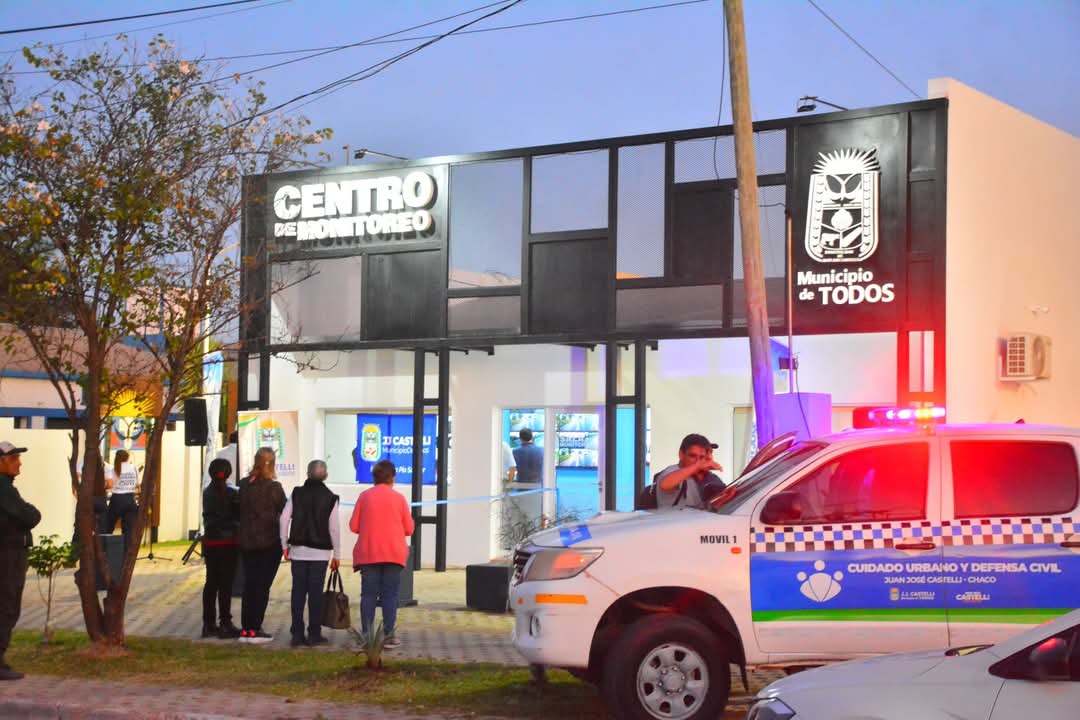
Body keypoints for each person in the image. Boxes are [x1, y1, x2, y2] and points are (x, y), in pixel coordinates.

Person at [350, 459, 414, 650]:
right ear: (393, 477)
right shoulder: (399, 499)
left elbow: (353, 526)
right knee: (390, 595)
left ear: (374, 477)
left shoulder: (364, 497)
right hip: (394, 553)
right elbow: (409, 529)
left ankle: (367, 636)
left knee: (368, 595)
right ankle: (389, 636)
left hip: (369, 552)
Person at [280, 459, 340, 648]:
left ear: (307, 474)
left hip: (298, 551)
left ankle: (297, 633)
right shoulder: (331, 498)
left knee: (298, 592)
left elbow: (284, 519)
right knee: (315, 594)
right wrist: (337, 554)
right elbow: (334, 529)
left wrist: (284, 544)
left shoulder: (297, 493)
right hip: (320, 554)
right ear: (326, 476)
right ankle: (314, 633)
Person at [0, 441, 41, 681]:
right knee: (7, 604)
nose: (19, 463)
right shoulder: (3, 488)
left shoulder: (7, 487)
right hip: (8, 555)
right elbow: (28, 515)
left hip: (11, 552)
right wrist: (30, 513)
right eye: (14, 459)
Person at [237, 447, 287, 644]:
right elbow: (285, 510)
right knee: (262, 586)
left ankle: (246, 628)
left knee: (249, 584)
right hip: (269, 542)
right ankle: (255, 628)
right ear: (272, 464)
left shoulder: (243, 485)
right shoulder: (274, 488)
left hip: (247, 542)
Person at [201, 457, 241, 639]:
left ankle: (208, 624)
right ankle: (225, 622)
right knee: (225, 584)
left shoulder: (207, 493)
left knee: (211, 583)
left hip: (211, 542)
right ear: (228, 473)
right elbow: (238, 516)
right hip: (228, 542)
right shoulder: (232, 494)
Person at [653, 433, 725, 510]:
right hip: (674, 517)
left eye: (701, 457)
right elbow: (665, 484)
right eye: (692, 456)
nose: (697, 461)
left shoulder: (707, 476)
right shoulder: (672, 471)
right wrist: (697, 466)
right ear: (681, 454)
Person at [105, 449, 140, 551]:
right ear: (127, 457)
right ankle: (127, 554)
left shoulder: (113, 469)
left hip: (117, 499)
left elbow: (110, 484)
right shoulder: (134, 468)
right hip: (130, 499)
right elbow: (137, 484)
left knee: (108, 526)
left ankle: (105, 550)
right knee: (129, 530)